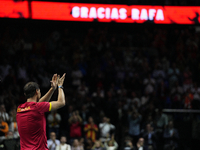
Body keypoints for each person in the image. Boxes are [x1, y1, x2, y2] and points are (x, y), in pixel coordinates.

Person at [16, 73, 66, 150]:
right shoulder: (38, 108)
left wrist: (52, 89)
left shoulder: (20, 109)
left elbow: (38, 104)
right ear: (37, 91)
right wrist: (60, 86)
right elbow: (61, 102)